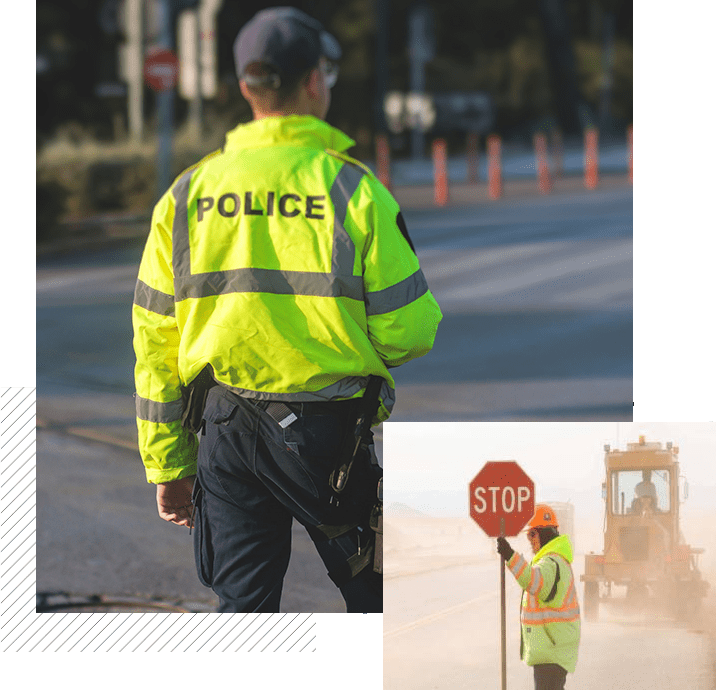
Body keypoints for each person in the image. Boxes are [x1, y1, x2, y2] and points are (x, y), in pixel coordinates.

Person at [132, 7, 442, 613]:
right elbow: (409, 331)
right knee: (379, 604)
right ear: (314, 83)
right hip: (329, 442)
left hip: (225, 430)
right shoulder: (354, 191)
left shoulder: (186, 195)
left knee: (244, 615)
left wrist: (169, 461)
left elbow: (155, 342)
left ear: (246, 88)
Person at [496, 505, 581, 690]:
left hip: (552, 650)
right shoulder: (553, 559)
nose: (530, 540)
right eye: (528, 535)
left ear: (545, 532)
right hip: (552, 648)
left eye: (532, 534)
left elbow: (534, 582)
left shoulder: (551, 562)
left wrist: (510, 556)